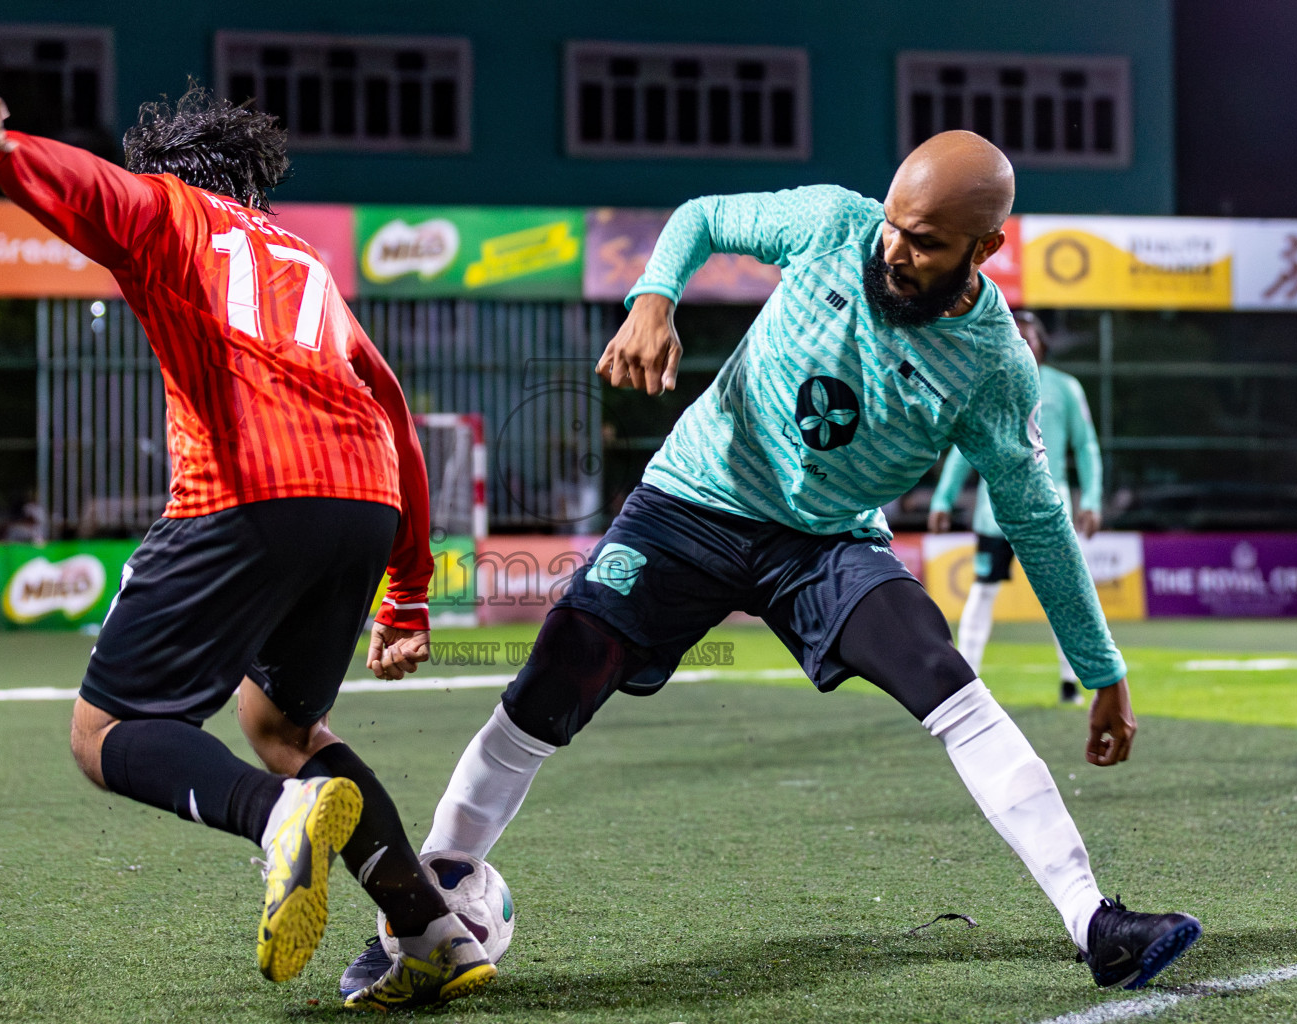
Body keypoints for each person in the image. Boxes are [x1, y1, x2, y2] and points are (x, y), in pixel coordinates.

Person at [346, 131, 1202, 995]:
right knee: (556, 671)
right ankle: (426, 910)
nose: (896, 253)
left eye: (927, 243)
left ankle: (1095, 924)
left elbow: (1039, 520)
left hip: (825, 541)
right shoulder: (835, 224)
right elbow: (703, 217)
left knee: (942, 674)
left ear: (987, 248)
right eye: (897, 227)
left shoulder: (994, 367)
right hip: (690, 504)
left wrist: (1102, 670)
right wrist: (654, 297)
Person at [0, 87, 493, 1011]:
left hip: (248, 490)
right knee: (281, 727)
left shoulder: (170, 209)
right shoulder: (304, 258)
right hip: (363, 494)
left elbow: (103, 195)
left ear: (170, 164)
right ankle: (429, 931)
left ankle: (276, 818)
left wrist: (7, 157)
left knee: (105, 733)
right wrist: (408, 591)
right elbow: (394, 409)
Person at [928, 310, 1104, 704]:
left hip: (1048, 512)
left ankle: (1071, 682)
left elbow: (1087, 447)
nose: (1022, 343)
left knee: (1066, 594)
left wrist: (1091, 499)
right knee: (984, 589)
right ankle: (966, 681)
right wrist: (943, 498)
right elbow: (963, 448)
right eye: (1015, 336)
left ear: (1042, 344)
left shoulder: (1064, 388)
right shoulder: (987, 384)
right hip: (995, 513)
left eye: (1029, 337)